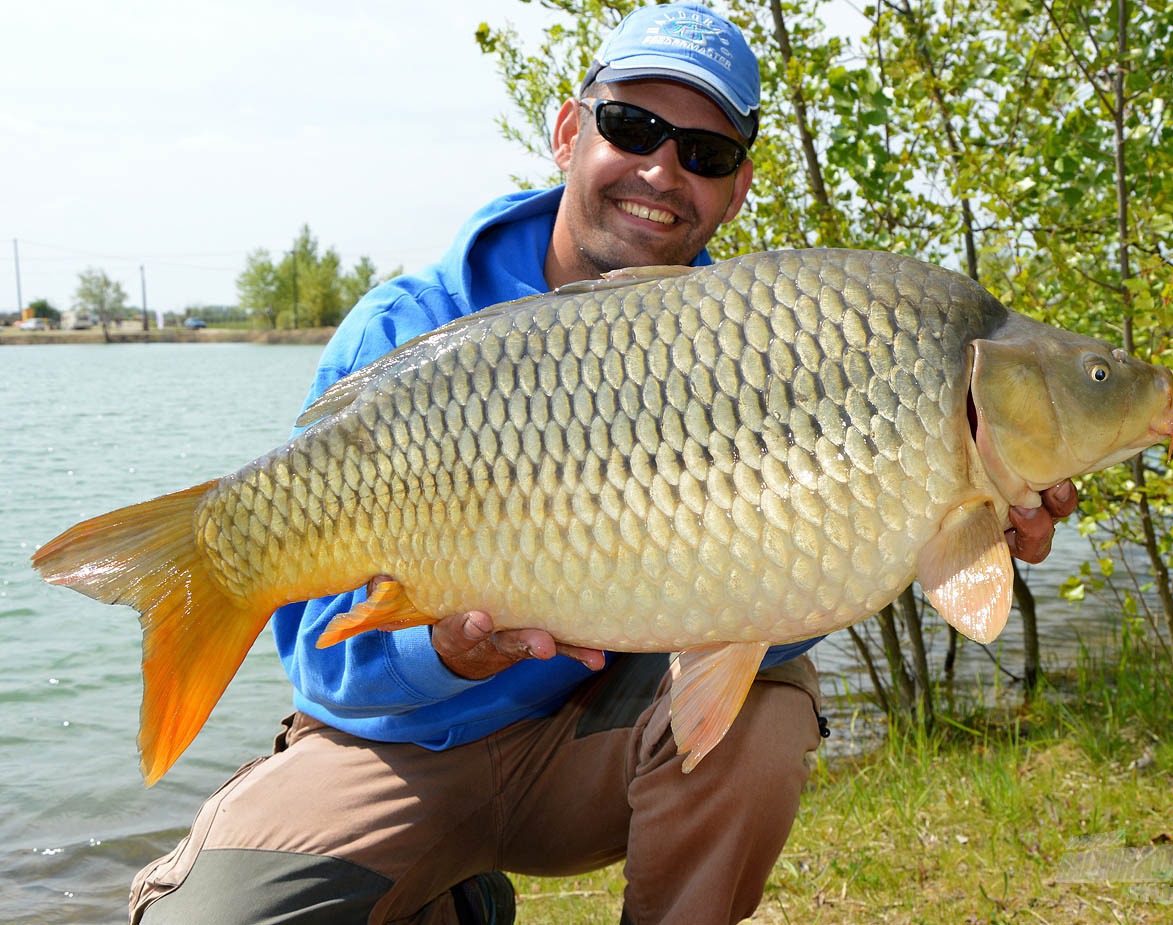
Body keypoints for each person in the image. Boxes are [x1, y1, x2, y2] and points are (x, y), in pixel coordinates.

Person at [129, 5, 1077, 924]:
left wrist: (928, 530)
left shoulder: (765, 341)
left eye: (705, 154)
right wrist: (443, 650)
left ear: (737, 187)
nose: (664, 171)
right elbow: (328, 675)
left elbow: (767, 602)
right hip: (399, 748)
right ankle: (445, 897)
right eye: (634, 127)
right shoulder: (407, 326)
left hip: (591, 749)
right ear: (568, 131)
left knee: (767, 718)